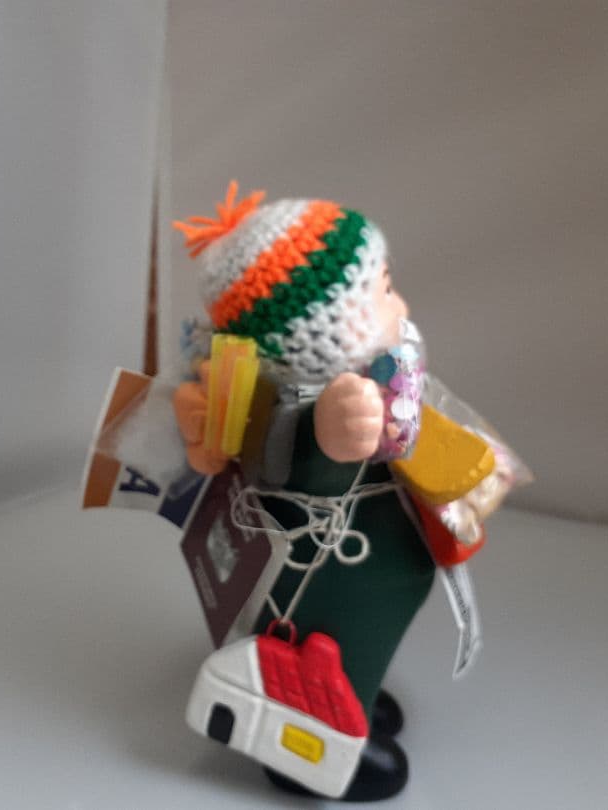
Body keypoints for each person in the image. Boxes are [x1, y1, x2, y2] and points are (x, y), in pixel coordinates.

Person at [174, 183, 438, 801]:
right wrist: (332, 431)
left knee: (360, 634)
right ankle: (314, 743)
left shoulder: (378, 380)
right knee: (333, 635)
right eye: (383, 291)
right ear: (325, 332)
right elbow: (295, 466)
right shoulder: (304, 414)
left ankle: (359, 692)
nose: (400, 304)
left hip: (364, 553)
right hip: (328, 570)